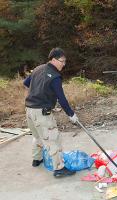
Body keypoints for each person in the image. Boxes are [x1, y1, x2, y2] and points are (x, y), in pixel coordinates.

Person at [23, 47, 78, 177]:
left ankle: (36, 159)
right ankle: (59, 169)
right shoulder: (55, 77)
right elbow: (62, 99)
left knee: (38, 136)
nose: (64, 64)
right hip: (41, 113)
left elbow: (25, 83)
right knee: (53, 139)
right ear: (53, 60)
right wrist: (71, 114)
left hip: (29, 110)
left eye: (65, 61)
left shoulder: (37, 69)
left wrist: (29, 99)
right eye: (62, 61)